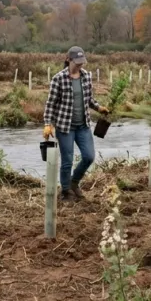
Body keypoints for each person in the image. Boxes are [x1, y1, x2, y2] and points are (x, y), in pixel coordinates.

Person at [43, 46, 109, 201]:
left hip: (83, 125)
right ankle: (66, 192)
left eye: (82, 62)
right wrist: (48, 124)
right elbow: (50, 104)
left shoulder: (86, 76)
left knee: (89, 156)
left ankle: (74, 182)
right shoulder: (58, 79)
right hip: (65, 127)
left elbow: (89, 99)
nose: (80, 65)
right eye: (77, 62)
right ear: (68, 59)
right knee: (67, 161)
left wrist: (99, 107)